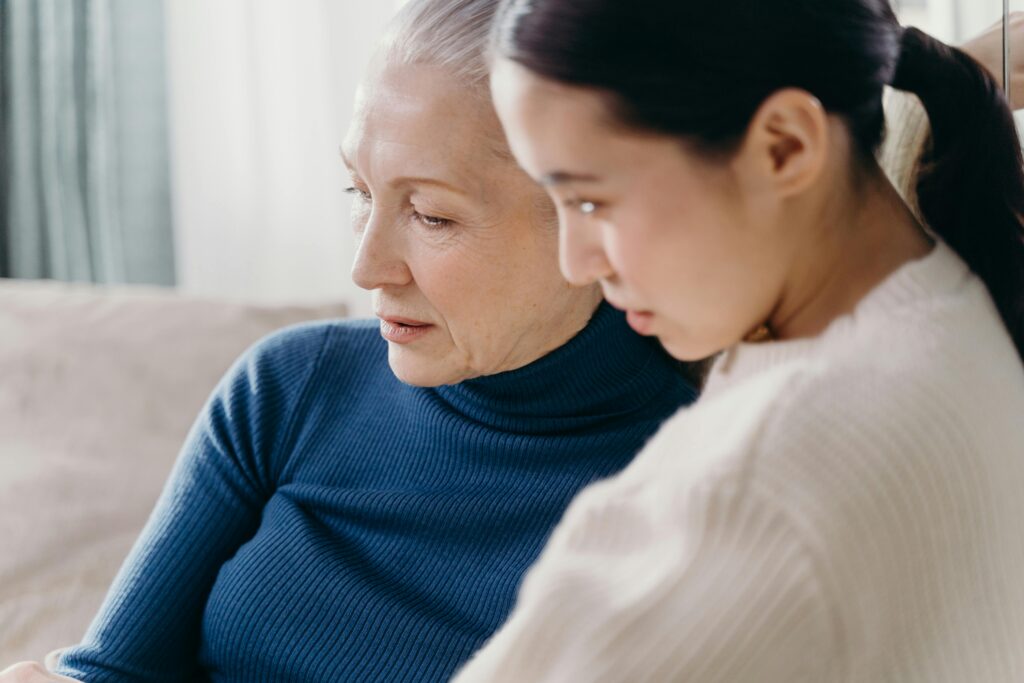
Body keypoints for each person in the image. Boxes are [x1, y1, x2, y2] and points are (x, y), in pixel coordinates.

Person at [1, 2, 1019, 683]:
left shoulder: (716, 470)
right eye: (359, 191)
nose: (366, 265)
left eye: (433, 217)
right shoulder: (290, 385)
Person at [453, 0, 1024, 681]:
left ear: (785, 146)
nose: (577, 262)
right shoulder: (951, 308)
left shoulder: (758, 484)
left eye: (589, 200)